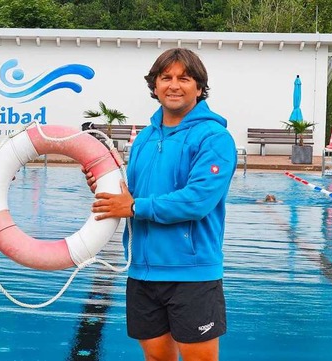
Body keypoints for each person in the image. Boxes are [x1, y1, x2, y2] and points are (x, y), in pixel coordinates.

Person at [84, 48, 236, 361]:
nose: (174, 85)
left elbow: (197, 200)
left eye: (184, 78)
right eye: (166, 77)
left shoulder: (214, 137)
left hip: (191, 274)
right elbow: (131, 195)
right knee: (156, 358)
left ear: (199, 87)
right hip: (142, 272)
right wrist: (106, 188)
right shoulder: (143, 140)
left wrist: (134, 206)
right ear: (154, 86)